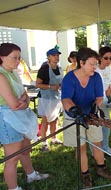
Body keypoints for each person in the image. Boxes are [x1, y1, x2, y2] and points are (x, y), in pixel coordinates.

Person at [61, 47, 111, 188]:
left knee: (97, 142)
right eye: (92, 64)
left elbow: (99, 96)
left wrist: (94, 108)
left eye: (96, 63)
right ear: (81, 62)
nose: (95, 67)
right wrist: (75, 112)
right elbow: (66, 99)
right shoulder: (69, 78)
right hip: (74, 117)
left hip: (91, 115)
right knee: (81, 147)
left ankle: (101, 167)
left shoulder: (96, 77)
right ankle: (85, 175)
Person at [0, 43, 49, 190]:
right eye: (14, 58)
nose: (17, 61)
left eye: (19, 58)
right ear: (2, 57)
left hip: (20, 116)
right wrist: (22, 101)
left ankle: (31, 175)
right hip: (8, 119)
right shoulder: (1, 76)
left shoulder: (14, 73)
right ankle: (13, 188)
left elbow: (25, 96)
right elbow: (14, 104)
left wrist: (24, 101)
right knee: (12, 159)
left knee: (25, 150)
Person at [36, 47, 63, 152]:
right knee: (45, 121)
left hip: (56, 97)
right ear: (49, 57)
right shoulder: (44, 68)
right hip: (46, 98)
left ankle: (54, 138)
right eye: (54, 55)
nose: (57, 57)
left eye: (58, 55)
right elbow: (38, 84)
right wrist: (51, 87)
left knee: (55, 119)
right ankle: (44, 142)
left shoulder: (59, 68)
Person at [95, 46, 111, 155]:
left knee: (106, 125)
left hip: (105, 101)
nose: (108, 61)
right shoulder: (95, 70)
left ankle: (105, 147)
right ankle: (95, 151)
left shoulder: (109, 69)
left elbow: (108, 85)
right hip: (95, 102)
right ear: (100, 58)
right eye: (106, 58)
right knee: (95, 127)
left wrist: (109, 98)